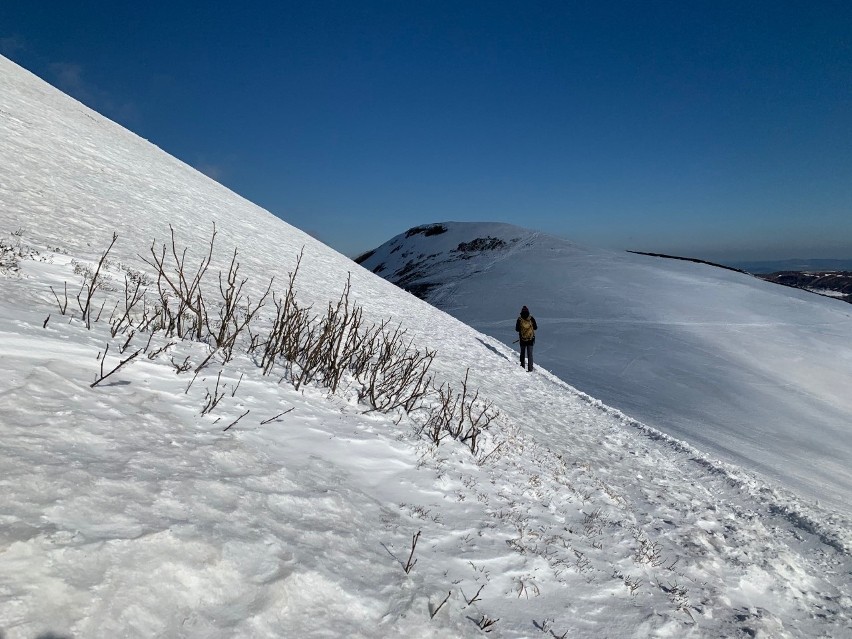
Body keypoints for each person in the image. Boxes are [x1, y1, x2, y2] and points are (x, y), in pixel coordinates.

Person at [515, 305, 538, 372]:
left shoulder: (519, 319)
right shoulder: (531, 318)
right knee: (530, 354)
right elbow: (536, 327)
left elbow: (517, 329)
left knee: (522, 353)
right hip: (531, 339)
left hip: (522, 339)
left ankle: (522, 367)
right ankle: (530, 369)